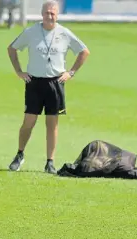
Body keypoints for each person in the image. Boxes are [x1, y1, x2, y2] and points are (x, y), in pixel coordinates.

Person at [7, 0, 90, 174]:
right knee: (28, 122)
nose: (50, 16)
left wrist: (71, 72)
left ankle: (50, 162)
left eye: (53, 13)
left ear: (57, 15)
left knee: (52, 124)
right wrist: (19, 72)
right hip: (34, 82)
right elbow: (12, 48)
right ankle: (20, 154)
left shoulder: (64, 33)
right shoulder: (31, 32)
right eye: (47, 13)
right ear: (42, 14)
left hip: (55, 83)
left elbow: (84, 51)